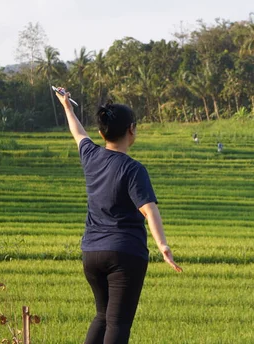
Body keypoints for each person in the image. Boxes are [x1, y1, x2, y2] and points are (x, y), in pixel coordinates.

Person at [54, 87, 182, 344]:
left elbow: (78, 133)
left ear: (102, 133)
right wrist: (163, 245)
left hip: (91, 253)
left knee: (102, 316)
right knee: (118, 323)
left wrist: (67, 106)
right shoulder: (133, 169)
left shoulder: (91, 156)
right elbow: (148, 208)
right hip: (125, 254)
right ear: (132, 129)